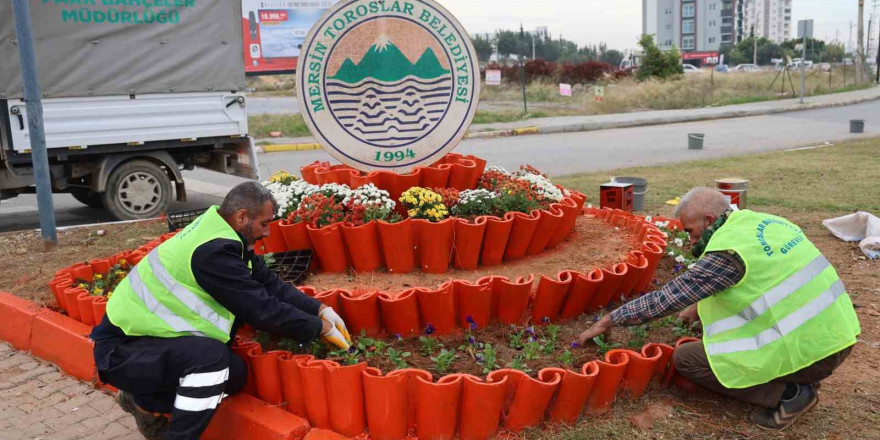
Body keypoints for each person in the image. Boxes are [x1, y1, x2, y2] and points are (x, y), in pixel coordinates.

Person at [577, 188, 860, 430]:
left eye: (689, 231)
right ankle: (798, 377)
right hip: (837, 335)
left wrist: (611, 319)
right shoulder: (759, 223)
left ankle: (790, 392)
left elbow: (667, 298)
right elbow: (763, 280)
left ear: (709, 220)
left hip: (810, 353)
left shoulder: (728, 252)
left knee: (687, 359)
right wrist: (699, 306)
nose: (689, 240)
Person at [90, 181, 352, 440]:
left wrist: (319, 309)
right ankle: (163, 422)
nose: (268, 233)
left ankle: (142, 397)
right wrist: (319, 329)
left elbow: (269, 284)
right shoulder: (214, 253)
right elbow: (260, 309)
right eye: (264, 223)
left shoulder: (224, 233)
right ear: (242, 217)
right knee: (212, 360)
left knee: (234, 374)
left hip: (152, 340)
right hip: (122, 349)